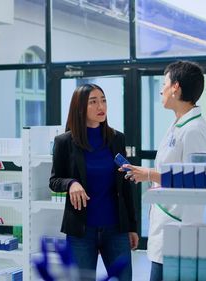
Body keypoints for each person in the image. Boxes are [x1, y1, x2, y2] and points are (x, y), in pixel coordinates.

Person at [120, 61, 206, 281]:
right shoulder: (178, 124)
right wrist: (149, 173)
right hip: (167, 226)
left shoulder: (194, 130)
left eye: (164, 83)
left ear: (176, 88)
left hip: (180, 228)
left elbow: (195, 180)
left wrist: (150, 175)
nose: (161, 90)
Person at [49, 83, 138, 281]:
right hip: (81, 232)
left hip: (116, 229)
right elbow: (55, 180)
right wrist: (71, 183)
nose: (101, 106)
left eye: (103, 100)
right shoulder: (64, 142)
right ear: (80, 107)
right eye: (94, 102)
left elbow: (125, 185)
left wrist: (131, 226)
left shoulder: (117, 139)